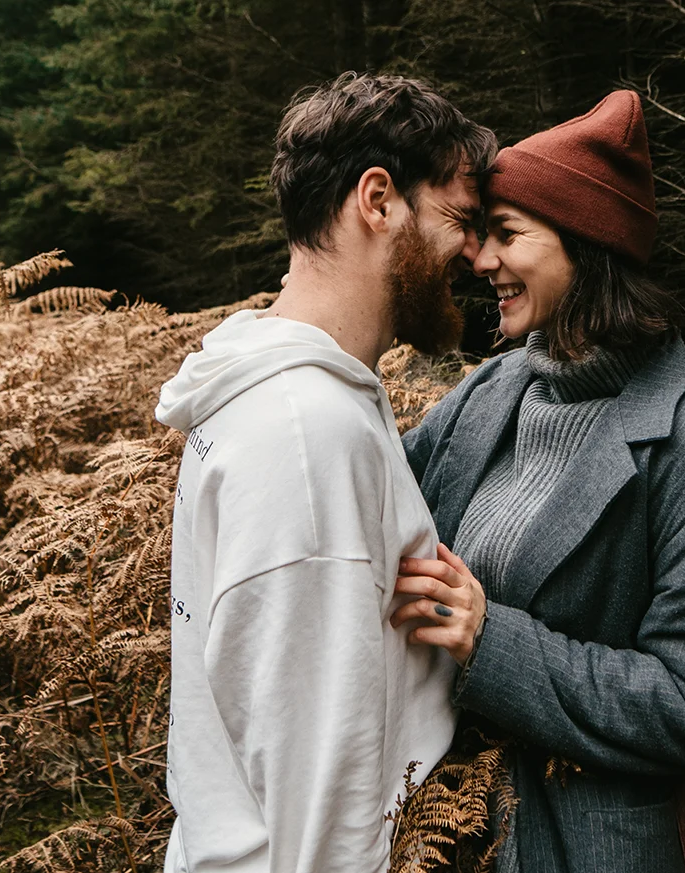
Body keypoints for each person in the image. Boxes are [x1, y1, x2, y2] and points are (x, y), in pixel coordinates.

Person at [391, 90, 685, 872]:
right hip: (452, 833)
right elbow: (379, 499)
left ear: (587, 244)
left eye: (507, 235)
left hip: (594, 850)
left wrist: (489, 640)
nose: (480, 259)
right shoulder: (493, 390)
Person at [154, 73, 496, 873]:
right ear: (378, 200)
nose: (477, 256)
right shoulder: (306, 434)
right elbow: (323, 785)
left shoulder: (294, 396)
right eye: (460, 220)